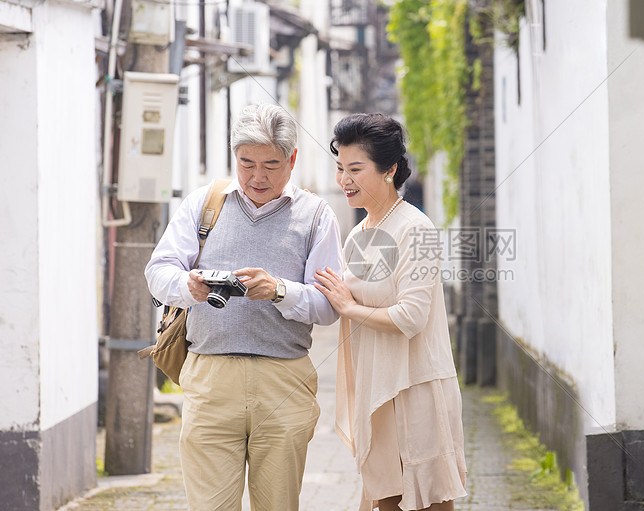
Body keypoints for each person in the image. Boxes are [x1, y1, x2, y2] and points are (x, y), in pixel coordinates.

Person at [144, 103, 343, 511]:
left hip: (283, 381)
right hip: (210, 378)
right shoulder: (205, 204)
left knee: (278, 505)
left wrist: (279, 291)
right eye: (246, 162)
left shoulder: (316, 215)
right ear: (234, 156)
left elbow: (329, 307)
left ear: (292, 160)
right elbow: (158, 270)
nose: (257, 176)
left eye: (270, 164)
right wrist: (189, 286)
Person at [315, 113, 467, 511]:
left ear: (390, 170)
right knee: (384, 500)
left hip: (415, 386)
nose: (344, 180)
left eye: (355, 169)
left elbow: (411, 317)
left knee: (428, 502)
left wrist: (349, 306)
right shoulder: (358, 234)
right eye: (340, 169)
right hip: (377, 387)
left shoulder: (414, 229)